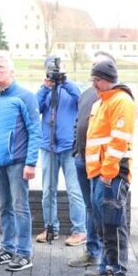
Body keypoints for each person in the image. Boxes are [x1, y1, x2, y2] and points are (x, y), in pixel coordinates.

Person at [0, 53, 42, 272]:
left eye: (1, 67)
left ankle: (24, 253)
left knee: (20, 207)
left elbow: (36, 131)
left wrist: (31, 162)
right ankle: (7, 248)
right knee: (3, 206)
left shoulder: (25, 97)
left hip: (18, 162)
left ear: (11, 71)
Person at [84, 58, 135, 276]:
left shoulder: (120, 101)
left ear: (105, 81)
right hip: (100, 174)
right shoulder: (104, 101)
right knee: (103, 223)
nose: (93, 85)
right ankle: (107, 268)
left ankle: (117, 274)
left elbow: (118, 142)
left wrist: (108, 173)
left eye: (96, 81)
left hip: (111, 176)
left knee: (114, 224)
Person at [67, 52, 115, 274]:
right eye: (92, 66)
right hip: (81, 158)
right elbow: (79, 121)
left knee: (102, 210)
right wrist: (76, 149)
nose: (94, 72)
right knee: (89, 207)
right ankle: (92, 251)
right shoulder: (87, 94)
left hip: (102, 164)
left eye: (98, 67)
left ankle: (107, 262)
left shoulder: (114, 96)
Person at [35, 55, 87, 247]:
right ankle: (51, 228)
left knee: (75, 190)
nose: (55, 73)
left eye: (58, 69)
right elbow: (34, 108)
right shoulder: (45, 91)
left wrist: (65, 82)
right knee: (48, 191)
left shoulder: (72, 87)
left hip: (69, 147)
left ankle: (80, 231)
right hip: (48, 146)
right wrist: (45, 87)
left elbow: (82, 100)